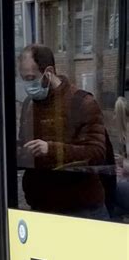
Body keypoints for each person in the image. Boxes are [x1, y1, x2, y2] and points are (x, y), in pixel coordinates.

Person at [17, 44, 109, 219]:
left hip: (81, 209)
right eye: (24, 79)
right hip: (41, 206)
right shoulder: (29, 105)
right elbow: (24, 145)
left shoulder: (82, 102)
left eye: (31, 78)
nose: (28, 85)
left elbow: (97, 153)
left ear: (49, 72)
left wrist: (50, 149)